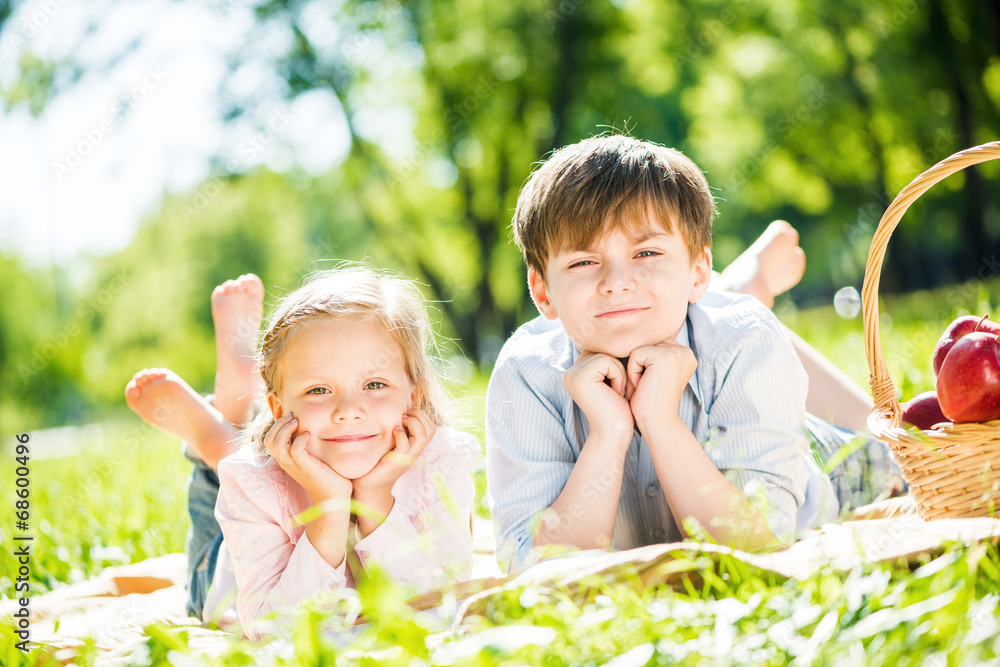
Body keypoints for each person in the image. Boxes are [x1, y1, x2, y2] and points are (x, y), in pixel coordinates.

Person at [486, 135, 899, 574]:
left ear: (698, 271)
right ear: (542, 291)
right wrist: (608, 434)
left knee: (902, 437)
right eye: (584, 262)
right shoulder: (526, 375)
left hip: (825, 462)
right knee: (694, 307)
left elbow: (759, 545)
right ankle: (740, 282)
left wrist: (660, 421)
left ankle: (739, 287)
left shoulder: (744, 340)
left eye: (646, 252)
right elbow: (534, 574)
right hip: (695, 317)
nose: (616, 281)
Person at [126, 268, 479, 640]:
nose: (348, 409)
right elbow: (273, 631)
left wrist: (376, 499)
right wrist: (329, 507)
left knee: (234, 459)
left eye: (374, 384)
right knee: (227, 481)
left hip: (274, 471)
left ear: (414, 395)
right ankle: (214, 435)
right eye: (318, 390)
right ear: (278, 409)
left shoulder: (440, 463)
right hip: (226, 562)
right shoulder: (254, 482)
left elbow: (440, 608)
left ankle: (227, 422)